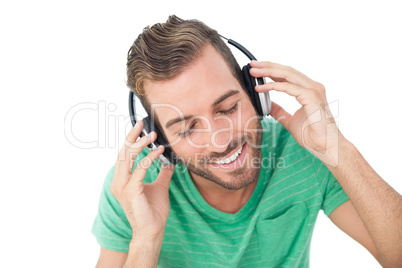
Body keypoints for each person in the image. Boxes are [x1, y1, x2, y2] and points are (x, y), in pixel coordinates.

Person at [92, 15, 402, 267]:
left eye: (228, 108)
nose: (220, 140)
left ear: (255, 94)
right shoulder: (135, 190)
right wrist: (146, 238)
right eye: (187, 129)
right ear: (157, 139)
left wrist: (338, 150)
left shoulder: (306, 153)